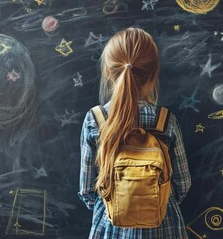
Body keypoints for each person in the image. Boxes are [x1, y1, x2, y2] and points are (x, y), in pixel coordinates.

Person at [78, 27, 191, 239]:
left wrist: (119, 206)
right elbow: (182, 185)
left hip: (110, 227)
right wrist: (152, 202)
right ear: (153, 75)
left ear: (108, 73)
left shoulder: (95, 120)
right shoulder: (165, 121)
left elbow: (87, 190)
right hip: (163, 227)